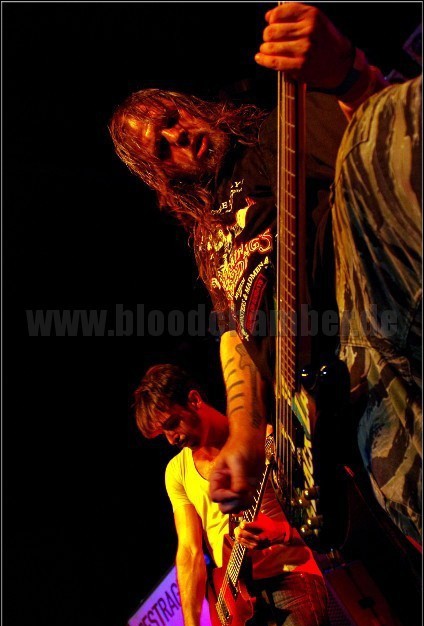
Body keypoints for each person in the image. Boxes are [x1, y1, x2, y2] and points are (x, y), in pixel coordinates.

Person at [110, 3, 421, 544]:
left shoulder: (275, 137)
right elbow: (237, 339)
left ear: (192, 108)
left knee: (379, 126)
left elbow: (379, 133)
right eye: (161, 147)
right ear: (160, 175)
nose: (179, 138)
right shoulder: (208, 244)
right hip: (341, 406)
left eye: (173, 121)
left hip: (367, 313)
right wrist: (245, 440)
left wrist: (348, 74)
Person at [133, 363, 330, 626]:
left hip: (288, 575)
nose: (171, 439)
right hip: (235, 603)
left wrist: (279, 531)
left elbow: (314, 509)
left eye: (172, 424)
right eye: (163, 433)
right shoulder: (176, 472)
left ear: (194, 400)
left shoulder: (262, 436)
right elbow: (189, 551)